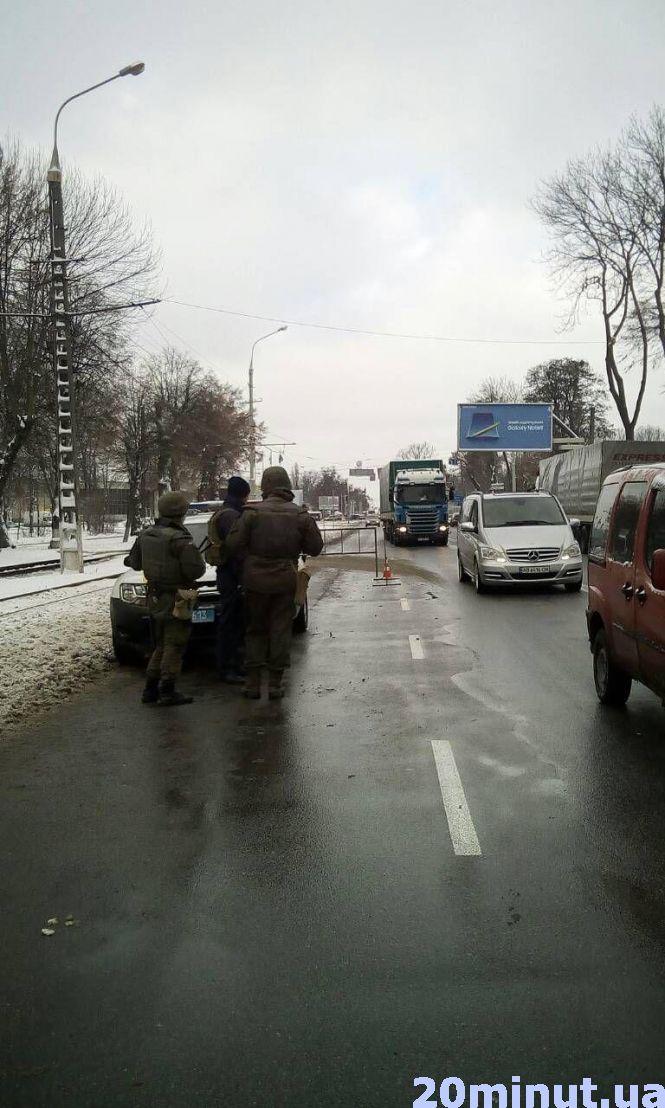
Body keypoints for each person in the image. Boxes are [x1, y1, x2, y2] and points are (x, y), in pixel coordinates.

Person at [227, 466, 323, 700]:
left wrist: (249, 560)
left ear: (266, 486)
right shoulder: (299, 515)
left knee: (255, 630)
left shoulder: (251, 513)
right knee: (280, 630)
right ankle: (275, 684)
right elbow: (315, 547)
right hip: (284, 580)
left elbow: (232, 545)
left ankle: (252, 684)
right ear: (287, 485)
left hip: (254, 581)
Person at [124, 491, 206, 707]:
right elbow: (196, 570)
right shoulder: (180, 538)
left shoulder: (145, 535)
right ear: (181, 512)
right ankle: (167, 690)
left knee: (160, 645)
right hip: (177, 598)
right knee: (175, 644)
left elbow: (134, 563)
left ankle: (150, 689)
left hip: (154, 597)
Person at [212, 475, 251, 684]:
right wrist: (243, 576)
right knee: (230, 624)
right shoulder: (231, 516)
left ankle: (234, 665)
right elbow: (236, 548)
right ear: (244, 494)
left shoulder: (226, 511)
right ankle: (227, 668)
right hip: (231, 576)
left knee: (235, 622)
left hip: (228, 575)